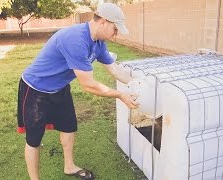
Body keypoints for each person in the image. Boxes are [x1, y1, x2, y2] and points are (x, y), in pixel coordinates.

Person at [17, 2, 139, 180]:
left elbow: (114, 70)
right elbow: (88, 84)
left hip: (59, 88)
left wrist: (139, 82)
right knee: (34, 139)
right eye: (115, 28)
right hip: (36, 88)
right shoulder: (76, 39)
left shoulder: (98, 44)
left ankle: (69, 166)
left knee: (68, 126)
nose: (116, 34)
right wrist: (120, 94)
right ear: (103, 21)